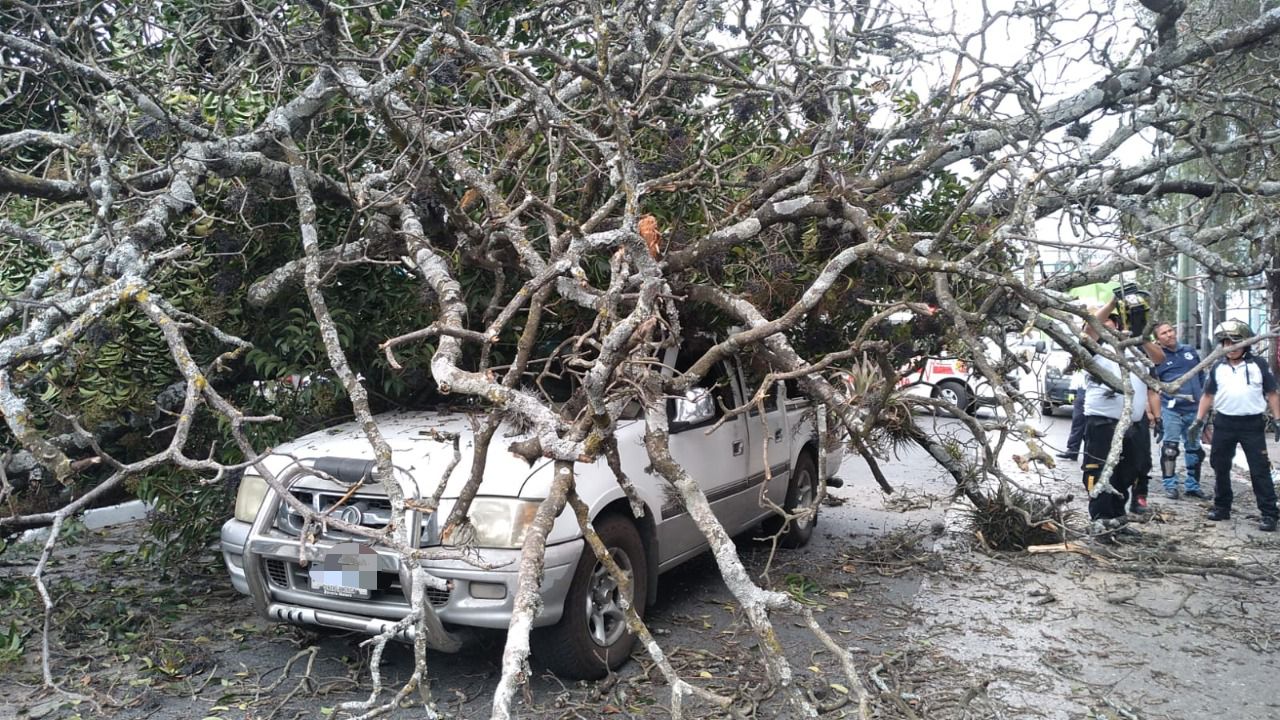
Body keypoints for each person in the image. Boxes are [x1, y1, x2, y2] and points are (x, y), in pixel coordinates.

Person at [1080, 287, 1165, 531]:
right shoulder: (1093, 348)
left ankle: (1118, 518)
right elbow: (1090, 329)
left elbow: (1159, 359)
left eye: (1112, 320)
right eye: (1104, 320)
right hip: (1103, 421)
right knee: (1101, 470)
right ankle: (1100, 518)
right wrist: (1114, 301)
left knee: (1128, 471)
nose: (1107, 324)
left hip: (1134, 423)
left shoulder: (1134, 347)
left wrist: (1142, 335)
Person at [1191, 320, 1280, 532]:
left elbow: (1271, 393)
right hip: (1224, 423)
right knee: (1220, 466)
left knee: (1259, 469)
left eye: (1234, 343)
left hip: (1252, 424)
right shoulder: (1218, 367)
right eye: (1225, 343)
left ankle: (1269, 513)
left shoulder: (1258, 365)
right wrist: (1198, 420)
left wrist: (1277, 419)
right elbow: (1208, 395)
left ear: (1245, 344)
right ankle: (1222, 507)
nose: (1229, 348)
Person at [1150, 322, 1207, 500]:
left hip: (1194, 409)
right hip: (1171, 409)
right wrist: (1154, 414)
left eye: (1170, 331)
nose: (1169, 335)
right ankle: (1170, 486)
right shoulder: (1157, 357)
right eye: (1163, 333)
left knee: (1194, 449)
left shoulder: (1189, 351)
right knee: (1170, 449)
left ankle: (1193, 485)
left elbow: (1201, 376)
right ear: (1157, 339)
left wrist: (1204, 400)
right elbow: (1152, 386)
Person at [1056, 368, 1088, 461]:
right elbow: (1078, 375)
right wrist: (1072, 391)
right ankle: (1072, 450)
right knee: (1077, 422)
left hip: (1094, 392)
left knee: (1090, 426)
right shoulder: (1081, 360)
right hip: (1081, 390)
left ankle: (1089, 453)